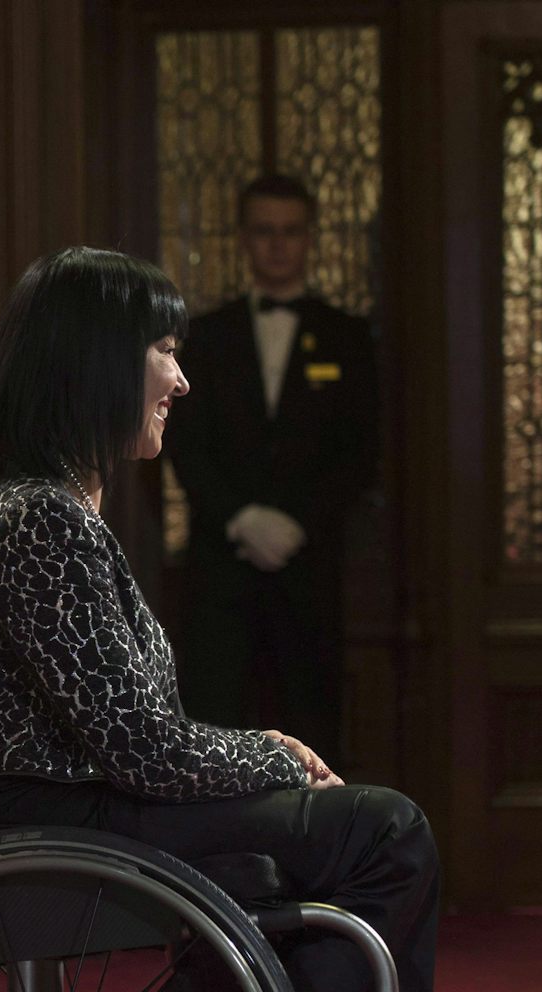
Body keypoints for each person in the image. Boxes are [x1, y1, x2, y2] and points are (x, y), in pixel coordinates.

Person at [0, 245, 434, 992]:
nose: (181, 378)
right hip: (59, 822)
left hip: (50, 806)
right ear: (95, 361)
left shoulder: (7, 498)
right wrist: (275, 754)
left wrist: (260, 751)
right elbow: (143, 748)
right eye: (163, 351)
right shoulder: (41, 520)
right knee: (387, 833)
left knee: (354, 834)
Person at [164, 174, 378, 764]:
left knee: (313, 733)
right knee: (214, 731)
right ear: (243, 239)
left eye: (290, 232)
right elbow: (184, 442)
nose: (278, 245)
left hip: (310, 576)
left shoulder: (348, 337)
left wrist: (297, 522)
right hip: (220, 579)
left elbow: (361, 452)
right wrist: (241, 518)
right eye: (264, 232)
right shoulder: (203, 337)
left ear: (310, 238)